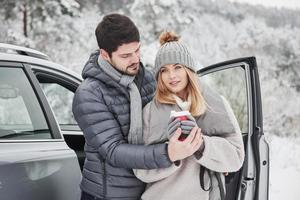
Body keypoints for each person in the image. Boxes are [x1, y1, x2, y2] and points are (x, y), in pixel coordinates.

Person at [72, 14, 203, 200]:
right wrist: (168, 153)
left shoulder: (146, 77)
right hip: (108, 195)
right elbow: (113, 151)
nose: (135, 59)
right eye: (126, 55)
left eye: (137, 50)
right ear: (105, 54)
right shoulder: (90, 94)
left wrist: (206, 160)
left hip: (148, 187)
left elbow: (171, 119)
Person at [133, 31, 245, 200]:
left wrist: (201, 144)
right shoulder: (149, 111)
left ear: (189, 70)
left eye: (178, 67)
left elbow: (235, 158)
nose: (171, 76)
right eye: (164, 70)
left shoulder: (216, 104)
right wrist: (170, 152)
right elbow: (140, 170)